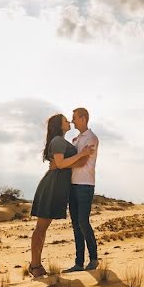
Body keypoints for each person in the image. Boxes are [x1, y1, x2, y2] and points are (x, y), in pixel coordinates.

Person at [28, 113, 95, 278]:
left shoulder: (64, 142)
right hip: (51, 187)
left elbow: (72, 164)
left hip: (59, 187)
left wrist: (72, 161)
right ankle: (35, 265)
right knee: (41, 228)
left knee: (43, 228)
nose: (69, 121)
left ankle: (36, 265)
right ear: (59, 125)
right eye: (66, 120)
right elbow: (61, 163)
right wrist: (81, 154)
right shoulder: (58, 141)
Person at [64, 107, 100, 272]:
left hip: (85, 185)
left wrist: (64, 163)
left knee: (83, 222)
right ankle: (79, 263)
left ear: (83, 118)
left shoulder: (91, 138)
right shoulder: (76, 139)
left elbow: (82, 163)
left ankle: (93, 259)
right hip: (73, 185)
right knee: (75, 225)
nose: (72, 121)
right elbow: (75, 161)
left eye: (74, 118)